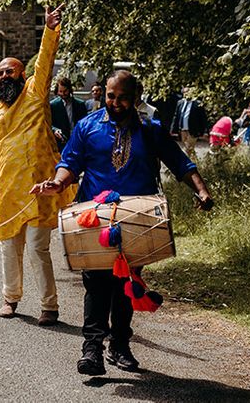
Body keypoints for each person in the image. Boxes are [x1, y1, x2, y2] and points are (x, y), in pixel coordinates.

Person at [32, 70, 213, 376]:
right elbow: (70, 162)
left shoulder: (151, 130)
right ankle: (92, 350)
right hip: (95, 218)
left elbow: (181, 163)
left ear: (135, 99)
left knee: (127, 284)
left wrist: (202, 190)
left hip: (136, 219)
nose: (114, 103)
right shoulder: (87, 126)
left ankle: (119, 345)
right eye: (110, 96)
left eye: (122, 98)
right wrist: (57, 183)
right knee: (96, 284)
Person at [0, 5, 70, 326]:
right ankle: (10, 299)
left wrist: (50, 31)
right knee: (8, 249)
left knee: (37, 250)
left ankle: (49, 306)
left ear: (22, 76)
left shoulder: (35, 93)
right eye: (0, 72)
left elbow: (44, 63)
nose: (4, 76)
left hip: (39, 187)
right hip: (8, 192)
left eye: (10, 71)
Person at [50, 77, 87, 152]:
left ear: (70, 89)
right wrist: (55, 130)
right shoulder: (53, 105)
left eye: (65, 91)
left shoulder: (80, 104)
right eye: (60, 91)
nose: (63, 94)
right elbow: (50, 123)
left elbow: (86, 123)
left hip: (78, 141)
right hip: (61, 143)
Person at [170, 87, 208, 160]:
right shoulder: (180, 103)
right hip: (182, 130)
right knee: (189, 149)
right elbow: (176, 116)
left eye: (188, 92)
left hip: (193, 130)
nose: (186, 94)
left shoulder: (198, 104)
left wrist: (205, 132)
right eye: (185, 93)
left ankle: (184, 163)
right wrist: (173, 129)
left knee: (188, 148)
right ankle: (195, 161)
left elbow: (203, 118)